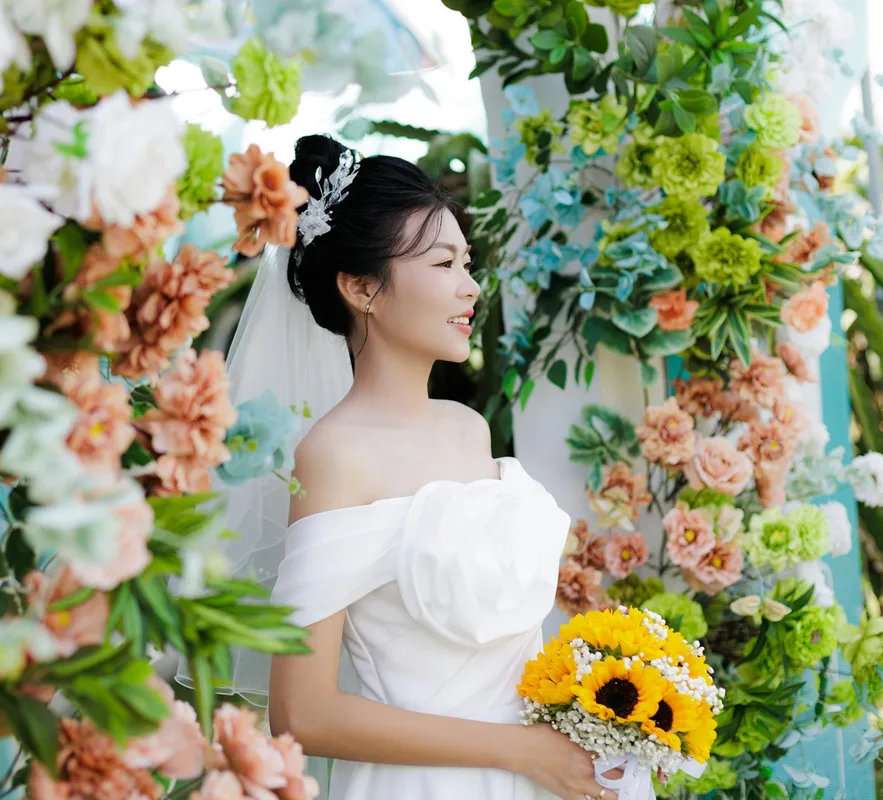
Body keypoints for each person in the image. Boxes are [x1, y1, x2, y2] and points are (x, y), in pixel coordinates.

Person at [218, 134, 615, 800]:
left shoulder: (469, 429)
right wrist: (519, 751)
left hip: (539, 776)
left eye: (468, 262)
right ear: (361, 287)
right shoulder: (334, 456)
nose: (470, 288)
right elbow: (303, 713)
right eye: (442, 264)